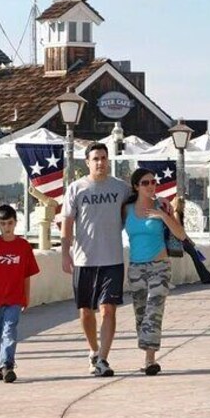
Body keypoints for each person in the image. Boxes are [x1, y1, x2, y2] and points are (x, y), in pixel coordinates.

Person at [61, 142, 130, 377]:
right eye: (96, 158)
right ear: (87, 162)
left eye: (103, 158)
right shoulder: (76, 188)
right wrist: (64, 254)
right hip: (84, 260)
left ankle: (102, 358)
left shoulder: (121, 188)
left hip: (112, 259)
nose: (100, 162)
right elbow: (67, 223)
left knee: (108, 309)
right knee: (86, 312)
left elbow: (137, 205)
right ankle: (93, 350)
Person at [123, 168, 188, 375]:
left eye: (153, 182)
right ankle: (147, 353)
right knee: (141, 314)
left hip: (159, 267)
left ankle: (150, 360)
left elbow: (181, 234)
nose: (151, 186)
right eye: (145, 183)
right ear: (136, 186)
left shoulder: (162, 206)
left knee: (154, 311)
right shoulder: (126, 209)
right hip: (135, 267)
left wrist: (163, 215)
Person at [0, 204, 40, 383]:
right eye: (3, 224)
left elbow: (27, 274)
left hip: (15, 299)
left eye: (10, 223)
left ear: (15, 223)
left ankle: (8, 364)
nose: (7, 227)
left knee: (9, 330)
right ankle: (1, 364)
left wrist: (27, 295)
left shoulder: (23, 246)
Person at [171, 197, 210, 284]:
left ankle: (206, 277)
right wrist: (189, 240)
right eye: (183, 204)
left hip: (183, 239)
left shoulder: (178, 213)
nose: (184, 206)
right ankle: (206, 277)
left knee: (197, 258)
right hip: (182, 240)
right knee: (196, 258)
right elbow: (180, 229)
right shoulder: (176, 213)